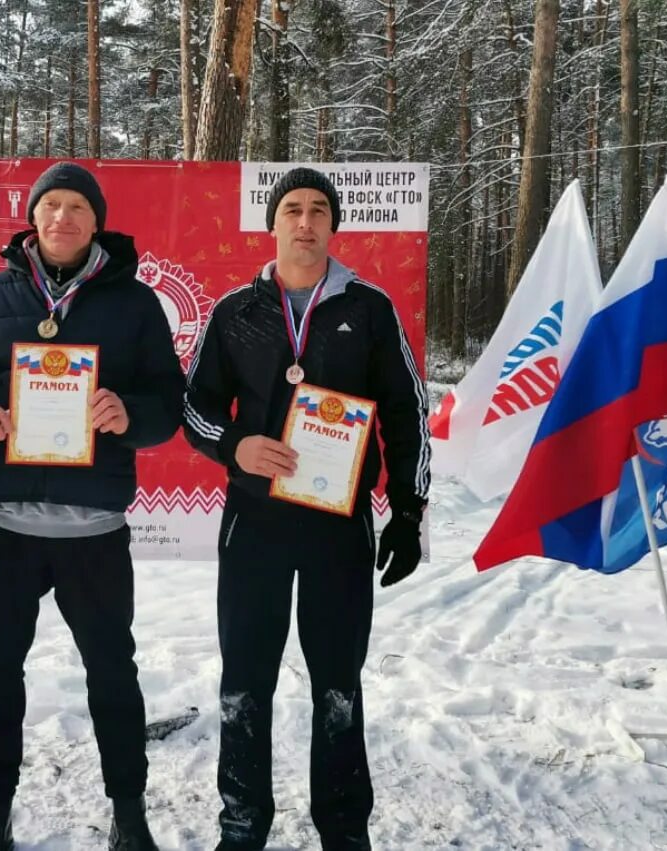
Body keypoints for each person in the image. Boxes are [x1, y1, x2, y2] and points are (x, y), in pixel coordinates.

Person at [0, 162, 184, 851]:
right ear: (32, 217)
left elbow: (169, 403)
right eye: (52, 205)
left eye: (77, 206)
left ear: (95, 220)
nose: (63, 217)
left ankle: (128, 810)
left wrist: (126, 412)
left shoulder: (134, 306)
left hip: (93, 526)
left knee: (111, 669)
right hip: (5, 524)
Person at [183, 167, 430, 851]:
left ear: (333, 224)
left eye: (319, 209)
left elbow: (407, 411)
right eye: (292, 208)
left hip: (337, 527)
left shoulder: (370, 308)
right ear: (273, 222)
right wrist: (237, 446)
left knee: (338, 685)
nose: (305, 221)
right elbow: (194, 408)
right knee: (244, 683)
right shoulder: (236, 310)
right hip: (254, 525)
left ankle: (345, 828)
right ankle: (241, 823)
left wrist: (407, 510)